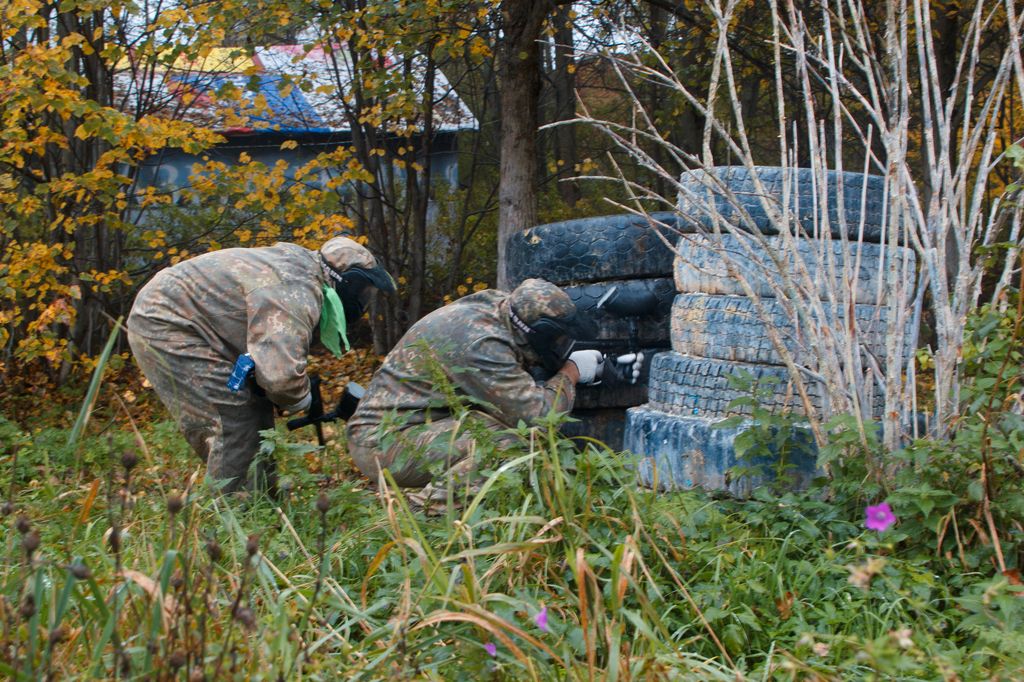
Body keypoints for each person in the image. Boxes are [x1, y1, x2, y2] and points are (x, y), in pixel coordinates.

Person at [127, 235, 395, 493]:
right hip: (165, 320)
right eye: (363, 291)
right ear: (344, 280)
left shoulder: (303, 270)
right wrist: (301, 401)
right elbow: (281, 379)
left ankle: (260, 500)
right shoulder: (296, 289)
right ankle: (236, 514)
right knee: (234, 418)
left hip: (183, 317)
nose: (363, 301)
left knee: (253, 407)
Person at [345, 278, 641, 509]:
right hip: (382, 444)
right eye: (557, 338)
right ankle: (427, 515)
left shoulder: (503, 309)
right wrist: (571, 373)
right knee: (508, 442)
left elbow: (523, 358)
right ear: (538, 330)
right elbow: (539, 418)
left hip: (403, 429)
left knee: (492, 426)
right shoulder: (481, 344)